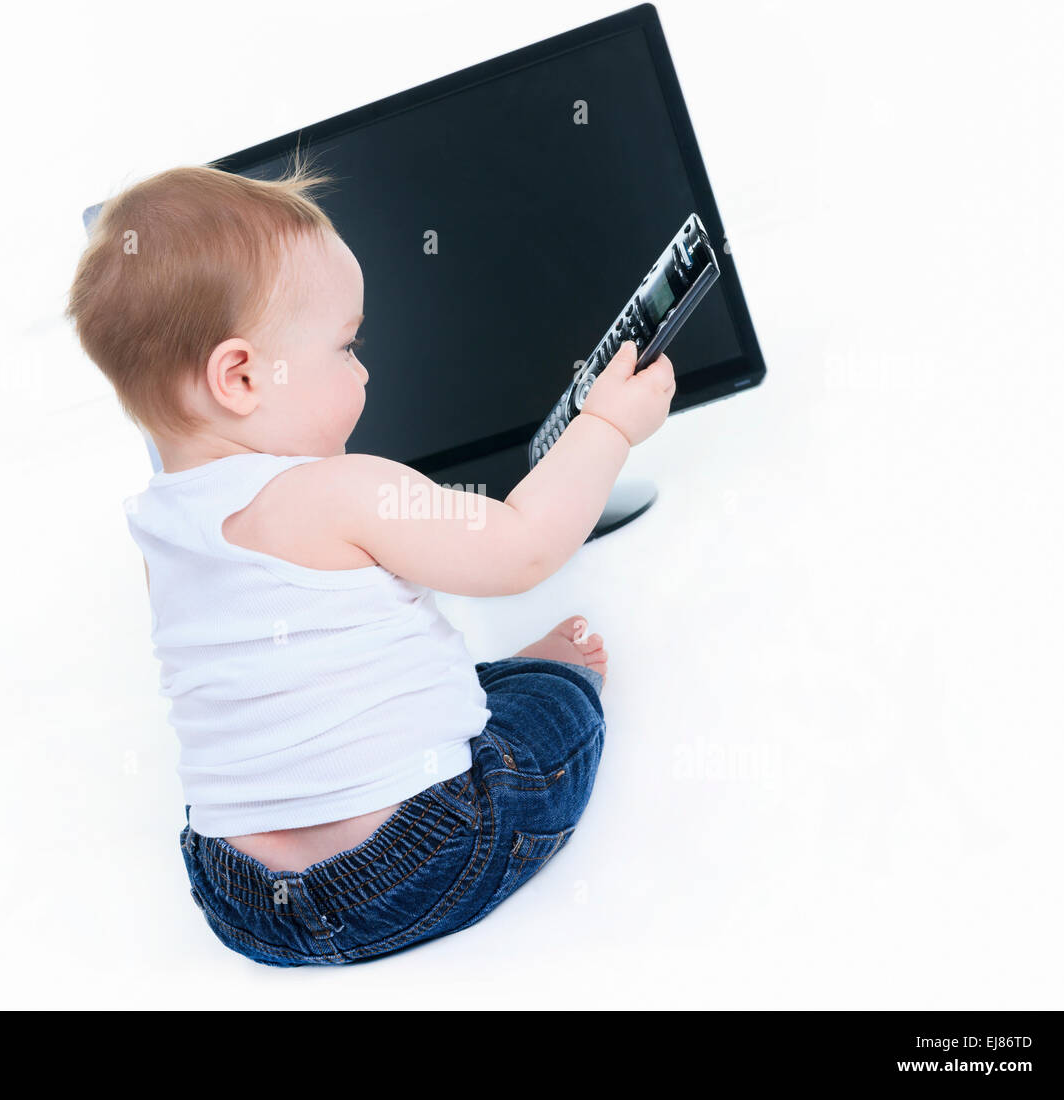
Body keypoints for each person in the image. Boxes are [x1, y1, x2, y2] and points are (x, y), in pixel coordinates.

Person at [66, 161, 675, 965]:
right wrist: (607, 425)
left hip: (240, 894)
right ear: (241, 376)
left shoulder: (159, 532)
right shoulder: (343, 491)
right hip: (420, 857)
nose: (364, 371)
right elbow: (524, 543)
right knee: (544, 710)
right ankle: (544, 683)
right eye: (346, 346)